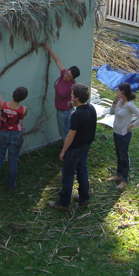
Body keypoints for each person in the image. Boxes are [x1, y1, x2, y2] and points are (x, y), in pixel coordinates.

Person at [50, 83, 97, 211]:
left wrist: (63, 151)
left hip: (74, 149)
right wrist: (73, 106)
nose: (70, 96)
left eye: (72, 94)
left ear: (76, 97)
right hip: (85, 146)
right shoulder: (91, 108)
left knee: (68, 176)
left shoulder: (76, 115)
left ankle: (64, 203)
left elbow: (70, 135)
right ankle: (83, 198)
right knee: (82, 172)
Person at [0, 80, 29, 191]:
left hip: (2, 133)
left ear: (13, 94)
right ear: (23, 98)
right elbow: (24, 113)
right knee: (13, 160)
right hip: (16, 135)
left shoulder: (3, 105)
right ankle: (11, 185)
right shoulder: (23, 109)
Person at [107, 82, 139, 190]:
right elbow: (111, 112)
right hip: (116, 132)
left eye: (118, 91)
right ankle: (118, 174)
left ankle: (124, 180)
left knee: (124, 156)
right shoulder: (119, 102)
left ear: (123, 92)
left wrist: (130, 126)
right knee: (118, 154)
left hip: (124, 134)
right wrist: (114, 102)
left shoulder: (129, 105)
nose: (116, 92)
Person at [42, 43, 81, 139]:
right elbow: (57, 60)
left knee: (65, 132)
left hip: (65, 112)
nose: (65, 76)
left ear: (73, 78)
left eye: (69, 76)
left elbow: (79, 100)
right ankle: (67, 147)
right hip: (60, 109)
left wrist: (71, 105)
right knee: (63, 131)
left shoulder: (73, 86)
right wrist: (48, 48)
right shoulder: (63, 74)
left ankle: (67, 150)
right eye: (67, 73)